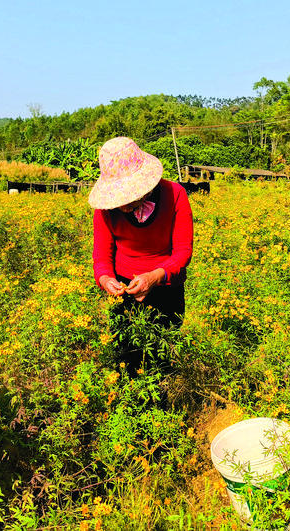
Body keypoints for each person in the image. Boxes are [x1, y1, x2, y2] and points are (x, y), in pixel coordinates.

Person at [89, 137, 193, 375]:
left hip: (167, 285)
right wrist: (106, 280)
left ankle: (163, 407)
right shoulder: (105, 211)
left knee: (162, 357)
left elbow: (182, 252)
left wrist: (154, 278)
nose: (122, 204)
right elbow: (102, 257)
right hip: (123, 288)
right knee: (126, 357)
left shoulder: (174, 194)